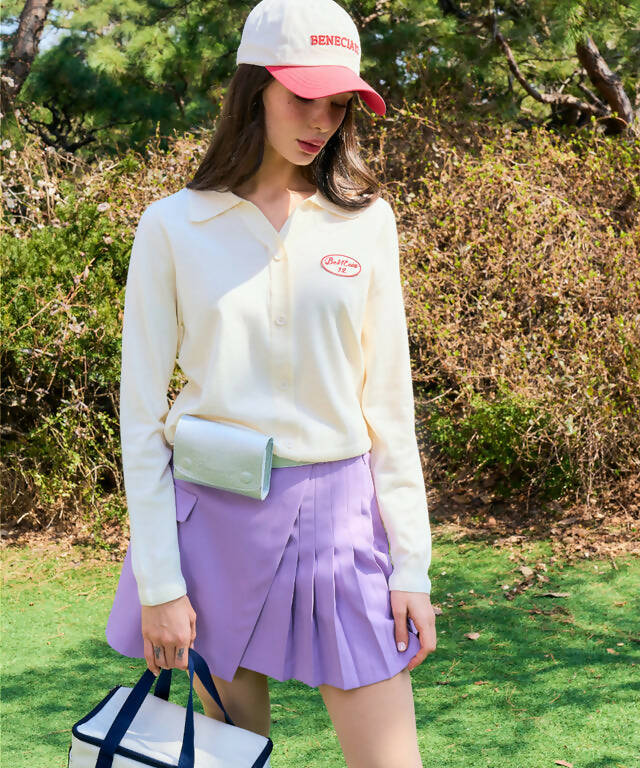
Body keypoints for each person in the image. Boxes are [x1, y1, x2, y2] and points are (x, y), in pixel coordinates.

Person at [105, 0, 437, 765]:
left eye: (339, 104)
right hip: (213, 525)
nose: (321, 121)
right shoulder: (172, 225)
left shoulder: (367, 222)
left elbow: (390, 407)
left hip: (343, 527)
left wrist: (411, 566)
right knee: (232, 756)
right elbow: (140, 418)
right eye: (303, 97)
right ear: (254, 87)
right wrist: (160, 583)